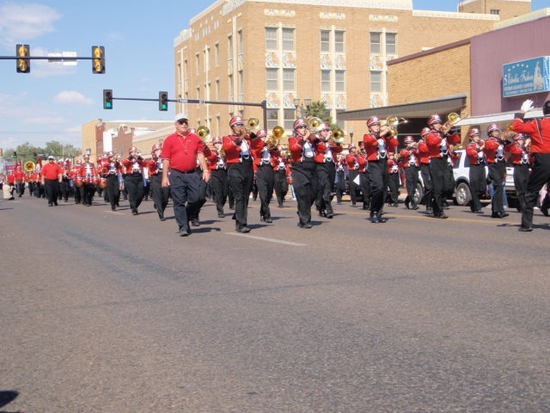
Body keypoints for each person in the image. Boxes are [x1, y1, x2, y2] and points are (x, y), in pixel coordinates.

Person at [161, 113, 210, 237]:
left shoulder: (194, 138)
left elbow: (200, 154)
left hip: (192, 173)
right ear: (176, 124)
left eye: (185, 122)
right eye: (181, 122)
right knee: (179, 201)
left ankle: (186, 217)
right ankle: (183, 226)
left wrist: (205, 170)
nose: (184, 124)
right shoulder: (169, 139)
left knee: (197, 198)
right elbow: (166, 159)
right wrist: (165, 177)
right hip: (177, 174)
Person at [512, 99, 550, 232]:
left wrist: (522, 112)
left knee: (531, 192)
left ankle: (527, 224)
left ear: (544, 111)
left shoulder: (538, 123)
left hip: (542, 160)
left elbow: (516, 127)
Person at [223, 116, 256, 233]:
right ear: (232, 127)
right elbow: (228, 148)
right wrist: (242, 136)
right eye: (238, 125)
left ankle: (239, 215)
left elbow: (260, 144)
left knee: (246, 196)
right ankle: (241, 224)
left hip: (247, 167)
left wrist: (251, 134)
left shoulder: (248, 139)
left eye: (241, 124)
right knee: (240, 196)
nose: (241, 127)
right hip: (235, 168)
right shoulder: (227, 138)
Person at [363, 116, 399, 223]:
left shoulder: (383, 137)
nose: (377, 127)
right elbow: (371, 143)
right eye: (374, 125)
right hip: (374, 163)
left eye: (378, 125)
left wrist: (389, 135)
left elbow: (395, 145)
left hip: (384, 163)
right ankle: (373, 211)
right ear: (369, 128)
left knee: (383, 190)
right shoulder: (367, 136)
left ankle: (378, 213)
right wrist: (382, 134)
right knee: (378, 187)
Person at [425, 114, 461, 219]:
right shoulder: (429, 134)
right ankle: (439, 210)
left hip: (445, 160)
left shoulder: (443, 134)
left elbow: (456, 139)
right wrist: (443, 134)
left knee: (449, 185)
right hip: (435, 161)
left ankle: (435, 203)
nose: (439, 125)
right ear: (431, 126)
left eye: (440, 123)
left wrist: (451, 130)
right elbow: (432, 143)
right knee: (438, 187)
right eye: (436, 123)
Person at [288, 118, 318, 228]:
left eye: (305, 127)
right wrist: (304, 138)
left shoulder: (311, 140)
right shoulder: (293, 139)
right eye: (301, 127)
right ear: (296, 130)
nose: (304, 129)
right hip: (299, 168)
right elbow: (295, 149)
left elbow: (322, 147)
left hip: (312, 167)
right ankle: (305, 220)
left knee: (314, 192)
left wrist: (316, 137)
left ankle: (302, 210)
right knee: (302, 194)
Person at [314, 123, 343, 219]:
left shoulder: (330, 140)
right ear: (320, 132)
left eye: (327, 130)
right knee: (325, 185)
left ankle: (322, 207)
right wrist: (326, 139)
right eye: (324, 130)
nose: (326, 132)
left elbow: (339, 149)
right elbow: (321, 148)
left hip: (331, 165)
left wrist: (337, 141)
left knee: (329, 187)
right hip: (321, 165)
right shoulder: (316, 140)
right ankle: (329, 209)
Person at [483, 123, 509, 218]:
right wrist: (501, 140)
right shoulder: (489, 141)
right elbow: (491, 147)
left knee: (500, 187)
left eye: (497, 131)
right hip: (493, 165)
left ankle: (495, 210)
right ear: (490, 133)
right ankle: (499, 210)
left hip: (501, 165)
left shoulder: (501, 141)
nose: (497, 133)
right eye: (494, 131)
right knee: (498, 186)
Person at [252, 129, 278, 223]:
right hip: (261, 169)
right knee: (263, 194)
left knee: (269, 194)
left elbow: (277, 155)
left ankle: (262, 211)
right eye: (262, 137)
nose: (264, 138)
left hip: (270, 169)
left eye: (265, 136)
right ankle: (267, 215)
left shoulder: (270, 147)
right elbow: (256, 152)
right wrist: (264, 142)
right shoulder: (256, 146)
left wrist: (274, 147)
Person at [505, 133, 531, 214]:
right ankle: (522, 205)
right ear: (516, 141)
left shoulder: (526, 148)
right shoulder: (514, 147)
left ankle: (524, 204)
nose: (522, 141)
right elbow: (517, 152)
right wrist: (525, 145)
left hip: (525, 168)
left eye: (522, 139)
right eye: (520, 139)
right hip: (518, 167)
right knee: (520, 188)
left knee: (526, 187)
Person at [465, 128, 486, 213]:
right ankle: (477, 207)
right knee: (475, 187)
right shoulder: (470, 146)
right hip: (474, 167)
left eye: (478, 136)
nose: (477, 138)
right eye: (475, 136)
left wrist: (483, 144)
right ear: (471, 137)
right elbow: (472, 153)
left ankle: (473, 202)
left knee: (482, 187)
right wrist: (481, 147)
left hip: (481, 166)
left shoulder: (479, 145)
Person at [207, 137, 228, 218]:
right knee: (218, 192)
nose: (217, 145)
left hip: (224, 172)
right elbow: (211, 158)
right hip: (215, 172)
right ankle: (220, 210)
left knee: (225, 193)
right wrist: (216, 152)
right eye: (215, 143)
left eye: (219, 143)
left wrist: (222, 151)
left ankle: (221, 205)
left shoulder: (224, 151)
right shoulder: (212, 152)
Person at [122, 147, 147, 215]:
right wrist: (131, 157)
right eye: (133, 152)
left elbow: (145, 164)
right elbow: (125, 163)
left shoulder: (139, 160)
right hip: (130, 177)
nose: (135, 153)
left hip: (139, 177)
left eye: (135, 152)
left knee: (140, 194)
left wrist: (140, 157)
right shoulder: (128, 159)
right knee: (132, 193)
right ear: (130, 153)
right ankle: (134, 208)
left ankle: (134, 205)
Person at [148, 144, 170, 221]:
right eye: (157, 150)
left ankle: (160, 207)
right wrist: (156, 158)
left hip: (164, 176)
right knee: (158, 195)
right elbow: (150, 166)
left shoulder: (166, 158)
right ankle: (161, 214)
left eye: (160, 150)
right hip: (156, 177)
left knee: (166, 196)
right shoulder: (153, 159)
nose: (159, 151)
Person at [400, 136, 420, 210]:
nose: (410, 144)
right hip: (408, 168)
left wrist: (417, 146)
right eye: (408, 143)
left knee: (414, 186)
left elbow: (419, 153)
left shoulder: (415, 150)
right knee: (410, 185)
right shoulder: (404, 150)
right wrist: (410, 149)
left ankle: (407, 200)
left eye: (411, 142)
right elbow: (404, 154)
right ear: (406, 144)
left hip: (415, 167)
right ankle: (413, 204)